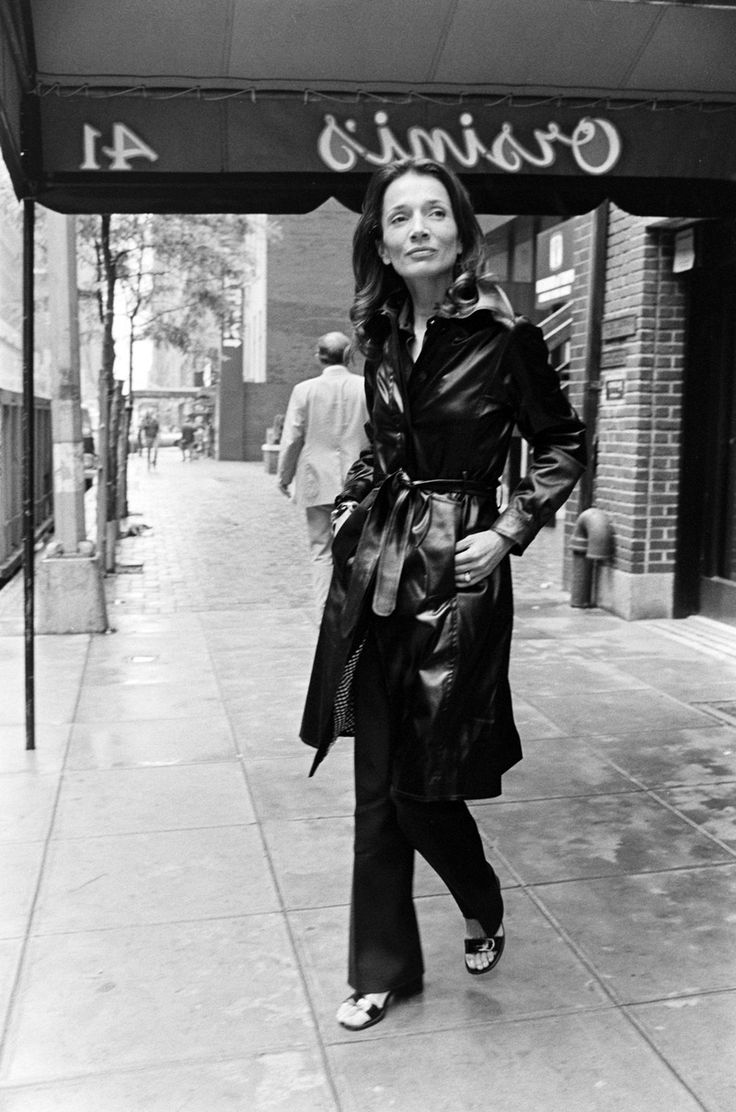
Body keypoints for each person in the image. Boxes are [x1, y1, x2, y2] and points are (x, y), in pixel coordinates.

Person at [299, 158, 587, 1032]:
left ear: (461, 233)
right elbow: (380, 451)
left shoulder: (507, 337)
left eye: (434, 213)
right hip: (378, 565)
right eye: (399, 217)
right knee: (376, 784)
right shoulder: (378, 337)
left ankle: (483, 898)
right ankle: (380, 969)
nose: (417, 227)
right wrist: (350, 509)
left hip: (458, 575)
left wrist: (506, 533)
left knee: (427, 786)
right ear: (381, 244)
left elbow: (562, 445)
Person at [277, 331, 369, 619]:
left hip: (316, 481)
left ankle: (324, 616)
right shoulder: (366, 387)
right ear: (348, 355)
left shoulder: (304, 390)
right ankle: (355, 616)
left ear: (319, 356)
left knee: (321, 550)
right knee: (358, 548)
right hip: (359, 483)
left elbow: (292, 437)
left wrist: (284, 476)